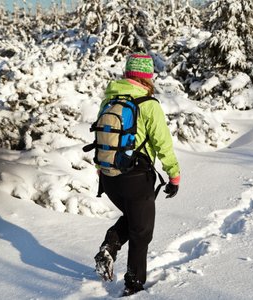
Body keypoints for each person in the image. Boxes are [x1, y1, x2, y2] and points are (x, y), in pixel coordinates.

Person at [93, 53, 181, 296]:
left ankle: (111, 245)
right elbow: (162, 143)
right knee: (142, 231)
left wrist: (101, 169)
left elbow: (102, 138)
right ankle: (133, 285)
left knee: (134, 218)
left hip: (108, 176)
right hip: (136, 176)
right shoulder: (148, 104)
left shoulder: (109, 99)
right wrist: (173, 175)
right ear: (147, 77)